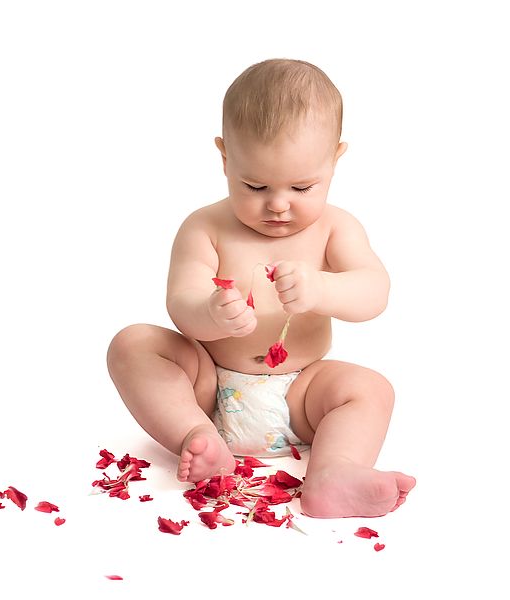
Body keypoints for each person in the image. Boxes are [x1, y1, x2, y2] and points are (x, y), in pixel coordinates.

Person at [106, 58, 415, 518]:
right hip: (208, 387)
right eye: (254, 185)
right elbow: (181, 301)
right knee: (132, 344)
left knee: (370, 389)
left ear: (335, 159)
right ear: (225, 157)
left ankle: (333, 472)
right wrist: (210, 314)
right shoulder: (204, 227)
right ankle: (198, 438)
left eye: (302, 187)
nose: (277, 205)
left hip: (303, 395)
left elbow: (374, 292)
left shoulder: (336, 228)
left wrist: (322, 290)